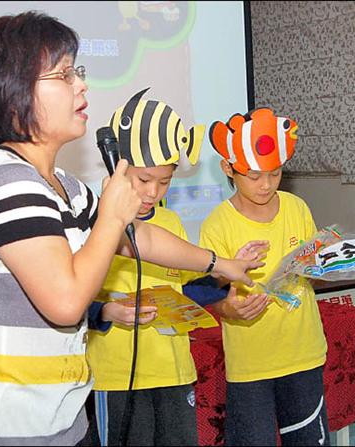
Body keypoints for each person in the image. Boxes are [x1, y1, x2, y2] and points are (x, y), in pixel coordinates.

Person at [0, 12, 266, 446]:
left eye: (78, 72)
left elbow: (138, 238)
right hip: (4, 435)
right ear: (14, 96)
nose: (82, 85)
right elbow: (67, 303)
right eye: (64, 75)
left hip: (61, 426)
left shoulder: (63, 186)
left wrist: (222, 265)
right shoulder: (5, 183)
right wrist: (110, 217)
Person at [85, 88, 270, 446]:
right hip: (117, 376)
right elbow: (71, 297)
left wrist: (223, 275)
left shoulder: (171, 223)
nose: (153, 191)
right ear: (116, 168)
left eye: (164, 181)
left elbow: (186, 290)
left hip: (173, 370)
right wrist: (107, 310)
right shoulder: (94, 222)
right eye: (143, 180)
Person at [199, 108, 330, 446]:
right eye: (254, 175)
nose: (266, 184)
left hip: (303, 353)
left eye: (274, 174)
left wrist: (325, 263)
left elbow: (312, 272)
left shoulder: (296, 208)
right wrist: (233, 311)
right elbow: (216, 300)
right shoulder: (218, 225)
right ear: (229, 168)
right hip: (251, 364)